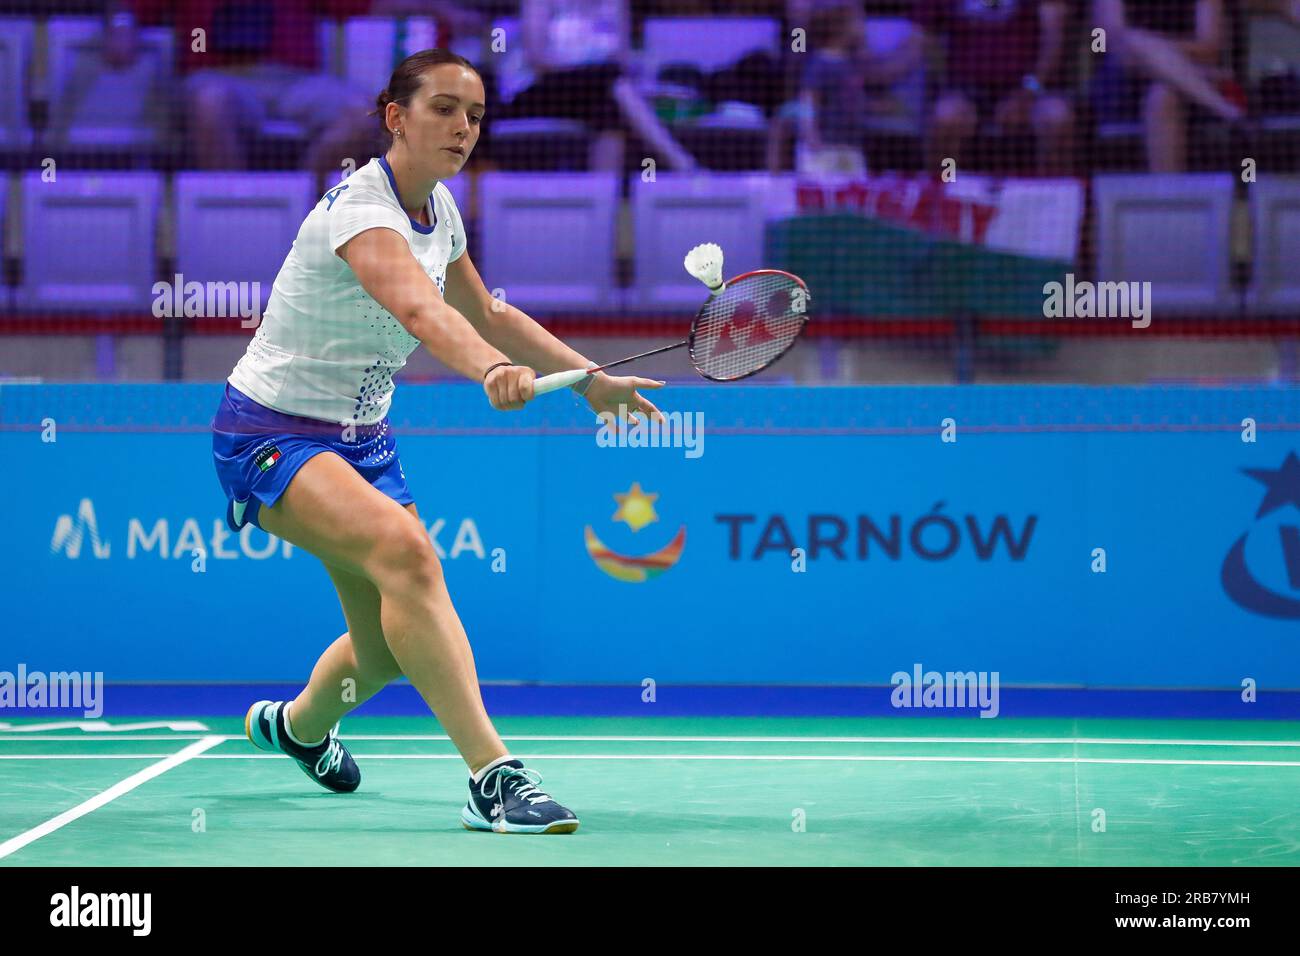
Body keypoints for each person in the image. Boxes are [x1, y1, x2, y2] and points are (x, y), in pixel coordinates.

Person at [212, 49, 665, 834]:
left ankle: (299, 728)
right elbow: (425, 318)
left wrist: (591, 381)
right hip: (272, 433)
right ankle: (494, 777)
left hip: (362, 442)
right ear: (396, 117)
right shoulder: (363, 212)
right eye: (445, 109)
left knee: (384, 651)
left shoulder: (440, 212)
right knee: (411, 556)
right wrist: (491, 372)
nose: (464, 128)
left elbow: (487, 312)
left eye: (476, 116)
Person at [911, 0, 1075, 175]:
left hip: (1033, 87)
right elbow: (922, 38)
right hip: (967, 90)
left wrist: (1028, 92)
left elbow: (1053, 41)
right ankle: (945, 189)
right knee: (945, 116)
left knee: (1056, 117)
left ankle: (1052, 195)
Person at [1092, 0, 1244, 172]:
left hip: (1190, 89)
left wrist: (1155, 52)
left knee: (1163, 95)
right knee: (1132, 40)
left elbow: (1210, 49)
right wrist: (1154, 51)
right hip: (1125, 85)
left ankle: (1170, 196)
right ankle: (1225, 108)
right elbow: (1114, 43)